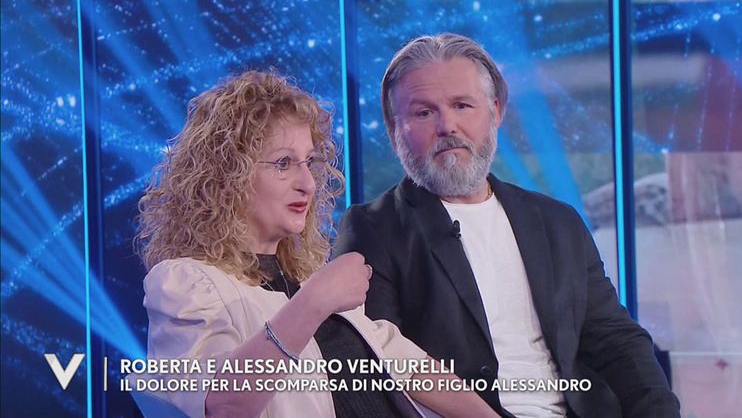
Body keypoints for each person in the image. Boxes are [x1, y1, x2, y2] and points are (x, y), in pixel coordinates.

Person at [334, 33, 682, 418]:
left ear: (495, 111)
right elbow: (369, 367)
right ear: (393, 128)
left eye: (462, 105)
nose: (447, 125)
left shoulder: (557, 222)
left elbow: (616, 342)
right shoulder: (373, 229)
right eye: (424, 113)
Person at [133, 70, 498, 417]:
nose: (307, 183)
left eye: (308, 162)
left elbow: (412, 368)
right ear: (228, 176)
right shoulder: (186, 282)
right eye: (283, 163)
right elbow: (219, 406)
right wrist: (314, 302)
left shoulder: (305, 280)